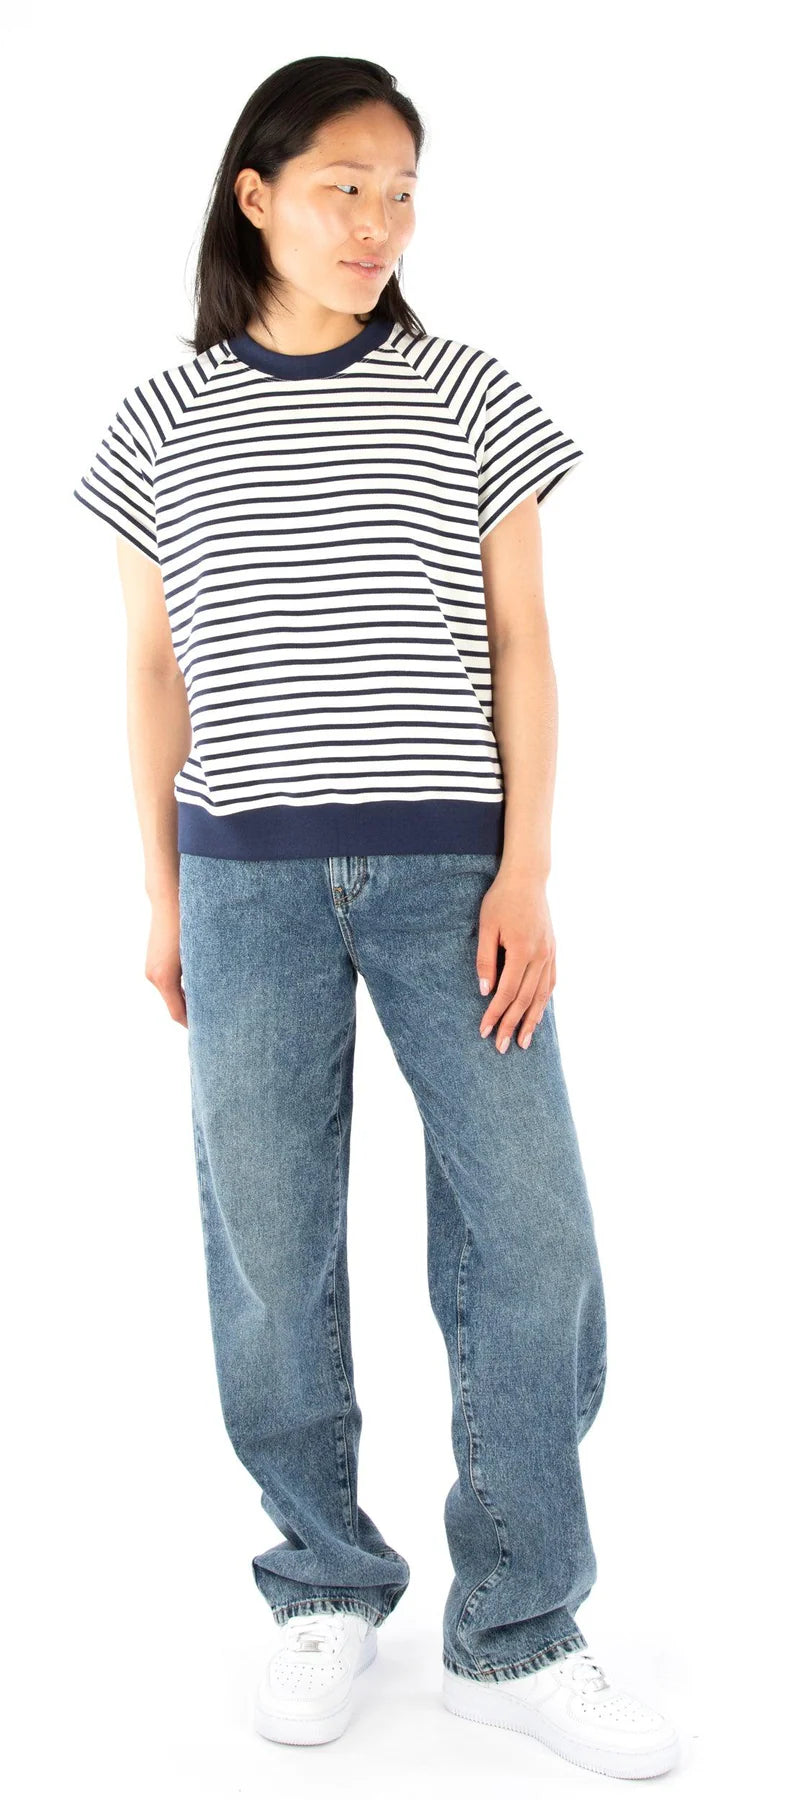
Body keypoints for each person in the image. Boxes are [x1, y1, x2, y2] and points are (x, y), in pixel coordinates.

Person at [72, 53, 680, 1781]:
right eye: (345, 184)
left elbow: (525, 643)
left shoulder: (467, 391)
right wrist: (160, 889)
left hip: (450, 877)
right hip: (243, 881)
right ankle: (323, 1580)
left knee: (535, 1240)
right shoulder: (159, 421)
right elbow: (153, 669)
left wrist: (528, 867)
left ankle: (518, 1624)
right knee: (270, 1246)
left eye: (402, 190)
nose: (379, 221)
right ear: (257, 195)